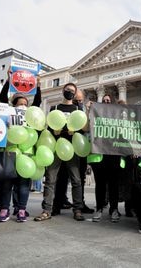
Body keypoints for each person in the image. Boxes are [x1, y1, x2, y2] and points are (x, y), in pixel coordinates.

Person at [34, 83, 84, 222]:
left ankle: (78, 209)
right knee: (50, 179)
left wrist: (75, 131)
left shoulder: (77, 109)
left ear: (75, 94)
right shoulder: (54, 108)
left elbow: (81, 128)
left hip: (71, 149)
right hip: (56, 147)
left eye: (72, 91)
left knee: (76, 180)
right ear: (63, 91)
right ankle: (46, 210)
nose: (70, 92)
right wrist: (53, 131)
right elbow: (49, 127)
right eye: (68, 90)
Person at [0, 76, 42, 222]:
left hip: (27, 153)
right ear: (14, 104)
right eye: (20, 103)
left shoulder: (31, 114)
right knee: (6, 184)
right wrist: (8, 80)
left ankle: (21, 209)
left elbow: (38, 103)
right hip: (10, 152)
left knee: (23, 186)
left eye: (26, 103)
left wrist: (38, 87)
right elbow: (2, 98)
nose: (24, 105)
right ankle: (3, 209)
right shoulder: (8, 111)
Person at [89, 94, 122, 223]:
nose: (106, 102)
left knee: (114, 185)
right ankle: (99, 208)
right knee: (100, 185)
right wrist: (88, 110)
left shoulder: (117, 116)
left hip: (114, 156)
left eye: (108, 100)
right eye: (103, 101)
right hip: (100, 156)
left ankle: (114, 209)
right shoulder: (95, 115)